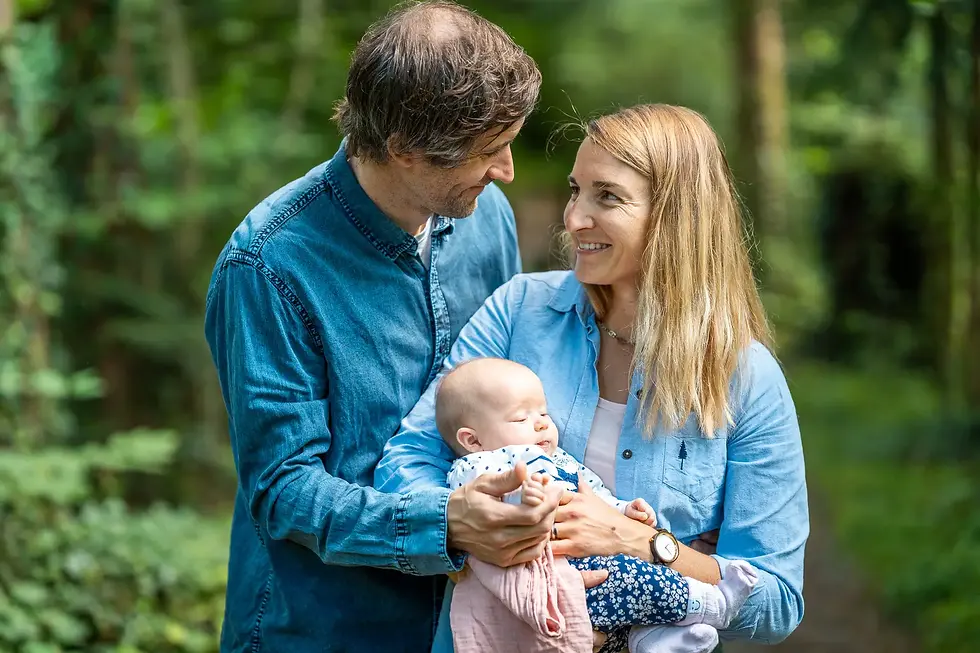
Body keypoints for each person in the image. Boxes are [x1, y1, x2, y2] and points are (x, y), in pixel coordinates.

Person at [203, 2, 592, 651]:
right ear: (404, 150)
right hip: (323, 628)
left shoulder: (485, 215)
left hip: (469, 624)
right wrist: (444, 523)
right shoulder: (267, 266)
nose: (506, 172)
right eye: (487, 152)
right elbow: (283, 489)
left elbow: (506, 392)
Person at [376, 103, 809, 652]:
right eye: (575, 190)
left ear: (676, 215)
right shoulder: (517, 311)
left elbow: (776, 602)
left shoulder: (745, 379)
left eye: (607, 196)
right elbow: (409, 461)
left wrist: (645, 541)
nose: (575, 217)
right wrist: (472, 530)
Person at [437, 357, 759, 653]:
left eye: (544, 414)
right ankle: (710, 604)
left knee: (635, 580)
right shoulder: (477, 465)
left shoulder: (558, 458)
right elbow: (483, 506)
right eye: (522, 417)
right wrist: (525, 498)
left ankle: (654, 637)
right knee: (631, 578)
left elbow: (593, 494)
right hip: (554, 569)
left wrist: (623, 511)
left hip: (588, 553)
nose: (540, 424)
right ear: (472, 440)